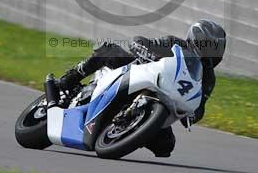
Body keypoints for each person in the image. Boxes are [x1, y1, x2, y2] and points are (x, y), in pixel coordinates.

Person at [57, 20, 227, 158]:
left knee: (165, 147)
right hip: (134, 74)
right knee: (108, 51)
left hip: (164, 100)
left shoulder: (208, 78)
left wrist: (193, 114)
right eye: (210, 46)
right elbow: (139, 41)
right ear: (196, 40)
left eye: (217, 48)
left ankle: (130, 132)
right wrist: (147, 52)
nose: (213, 52)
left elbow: (200, 105)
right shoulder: (174, 44)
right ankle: (67, 81)